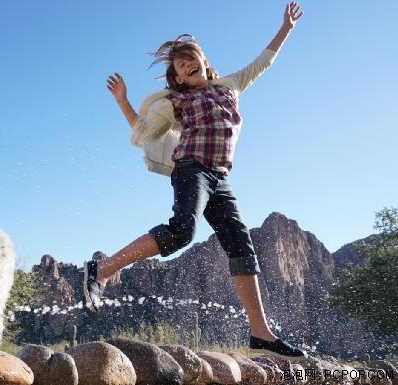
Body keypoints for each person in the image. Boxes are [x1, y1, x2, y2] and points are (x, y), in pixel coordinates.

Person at [84, 2, 308, 360]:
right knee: (182, 231)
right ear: (178, 78)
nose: (187, 64)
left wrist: (286, 28)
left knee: (241, 247)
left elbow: (263, 62)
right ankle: (104, 268)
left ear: (203, 60)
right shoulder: (177, 101)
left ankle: (261, 334)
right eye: (180, 64)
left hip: (220, 177)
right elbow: (144, 133)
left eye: (191, 57)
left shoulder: (231, 85)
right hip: (191, 168)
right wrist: (123, 101)